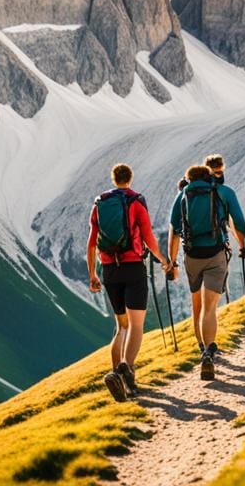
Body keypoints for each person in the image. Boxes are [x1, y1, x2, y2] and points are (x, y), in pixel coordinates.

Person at [88, 163, 169, 401]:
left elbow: (92, 242)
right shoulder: (136, 202)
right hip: (133, 267)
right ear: (130, 178)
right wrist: (163, 259)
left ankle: (116, 376)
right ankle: (126, 368)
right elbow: (148, 238)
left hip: (109, 269)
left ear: (113, 179)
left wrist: (93, 273)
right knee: (136, 326)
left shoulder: (100, 205)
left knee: (121, 325)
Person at [167, 164, 245, 380]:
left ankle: (201, 347)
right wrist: (242, 245)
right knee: (210, 307)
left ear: (189, 179)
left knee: (197, 304)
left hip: (192, 256)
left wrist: (172, 262)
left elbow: (174, 230)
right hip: (215, 253)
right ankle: (208, 354)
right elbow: (238, 221)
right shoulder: (223, 192)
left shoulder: (182, 195)